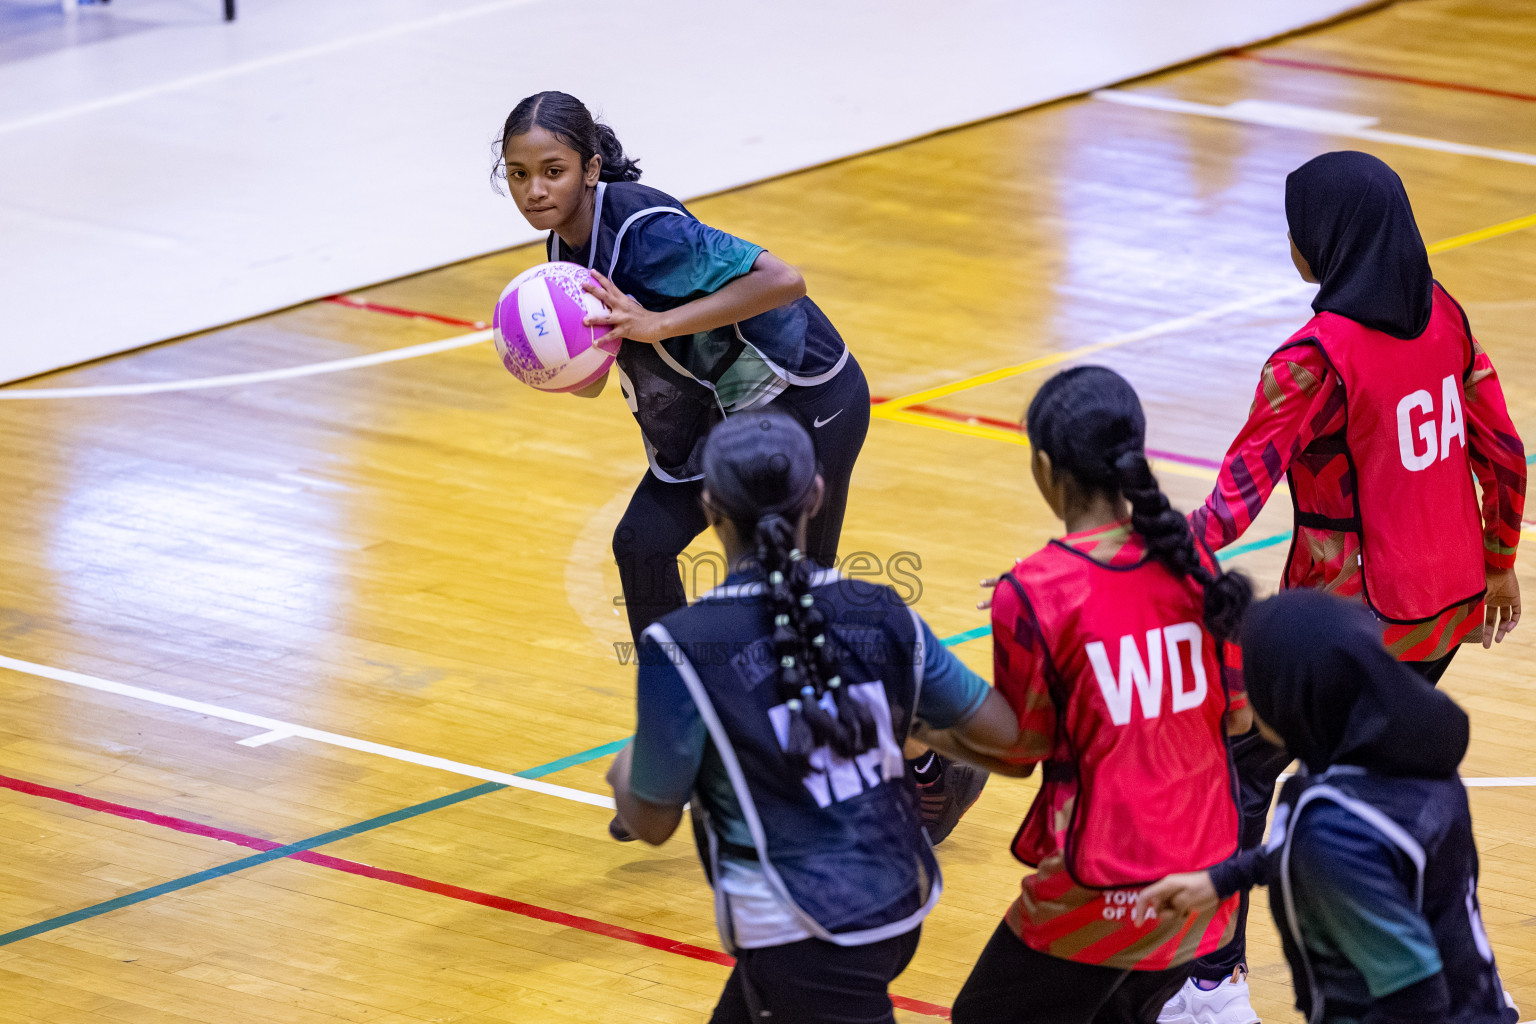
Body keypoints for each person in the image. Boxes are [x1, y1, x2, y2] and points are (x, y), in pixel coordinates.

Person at [497, 92, 979, 840]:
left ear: (591, 167)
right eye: (519, 174)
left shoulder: (647, 227)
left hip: (803, 401)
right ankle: (679, 745)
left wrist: (653, 321)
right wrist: (552, 357)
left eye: (552, 171)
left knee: (800, 616)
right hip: (716, 420)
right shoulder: (564, 250)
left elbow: (784, 280)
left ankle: (935, 773)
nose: (536, 191)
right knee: (642, 545)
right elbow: (600, 368)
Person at [1169, 151, 1528, 1024]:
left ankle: (1213, 987)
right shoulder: (1444, 313)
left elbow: (1238, 496)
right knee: (1381, 781)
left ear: (1318, 245)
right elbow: (1506, 453)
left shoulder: (1312, 358)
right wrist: (1499, 559)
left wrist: (1151, 560)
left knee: (1235, 777)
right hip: (1443, 614)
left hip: (1351, 621)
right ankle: (1458, 963)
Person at [605, 411, 1028, 1024]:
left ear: (708, 505)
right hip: (895, 901)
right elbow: (1008, 739)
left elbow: (650, 822)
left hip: (804, 933)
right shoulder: (882, 609)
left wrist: (625, 768)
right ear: (818, 495)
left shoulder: (683, 643)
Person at [931, 366, 1251, 1024]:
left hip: (1108, 893)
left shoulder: (1037, 589)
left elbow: (1022, 751)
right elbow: (1241, 716)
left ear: (1045, 468)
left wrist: (922, 729)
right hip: (1207, 890)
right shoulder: (1195, 562)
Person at [1136, 590, 1519, 1024]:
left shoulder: (1332, 833)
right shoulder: (1402, 764)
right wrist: (1221, 880)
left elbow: (1415, 1003)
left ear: (1284, 697)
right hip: (1475, 1001)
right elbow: (1360, 861)